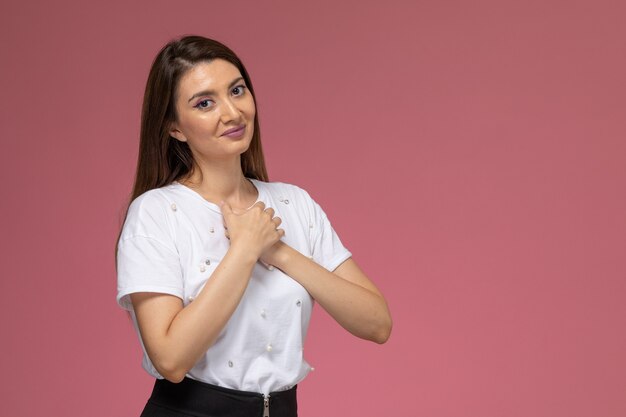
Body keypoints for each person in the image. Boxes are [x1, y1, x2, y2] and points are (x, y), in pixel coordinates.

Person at [116, 35, 392, 417]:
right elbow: (171, 359)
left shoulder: (294, 204)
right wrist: (244, 250)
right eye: (205, 103)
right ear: (174, 128)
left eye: (237, 90)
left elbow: (377, 323)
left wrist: (278, 252)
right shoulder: (157, 212)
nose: (232, 112)